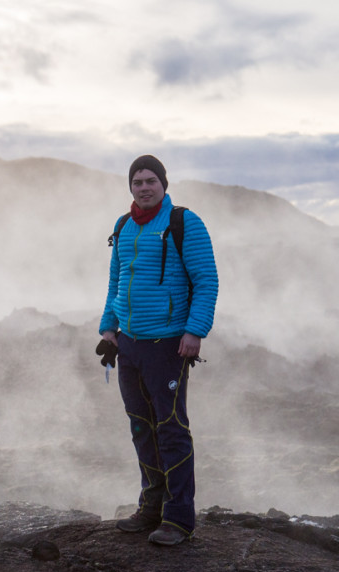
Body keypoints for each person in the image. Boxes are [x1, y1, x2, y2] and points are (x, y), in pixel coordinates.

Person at [97, 155, 219, 546]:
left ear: (164, 184)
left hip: (168, 344)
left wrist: (195, 331)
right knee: (140, 426)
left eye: (151, 180)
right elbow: (116, 281)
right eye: (137, 181)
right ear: (130, 186)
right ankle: (151, 508)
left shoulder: (184, 223)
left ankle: (179, 518)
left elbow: (206, 280)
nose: (144, 187)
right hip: (129, 344)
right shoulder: (123, 226)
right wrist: (108, 327)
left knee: (171, 429)